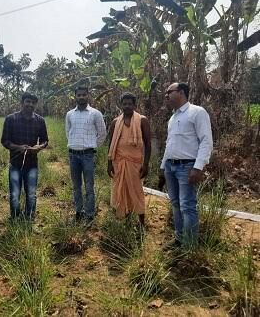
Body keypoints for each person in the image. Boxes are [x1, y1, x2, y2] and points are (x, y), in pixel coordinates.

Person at [159, 82, 213, 248]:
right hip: (171, 166)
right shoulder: (173, 117)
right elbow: (170, 144)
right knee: (175, 203)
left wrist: (198, 167)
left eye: (170, 92)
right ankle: (180, 238)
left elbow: (206, 141)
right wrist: (163, 167)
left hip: (187, 167)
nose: (166, 95)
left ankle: (189, 247)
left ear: (181, 92)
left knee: (187, 206)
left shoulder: (197, 112)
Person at [1, 92, 48, 220]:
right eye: (28, 101)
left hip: (32, 163)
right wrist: (18, 147)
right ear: (22, 103)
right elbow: (5, 141)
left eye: (33, 103)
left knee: (31, 194)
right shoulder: (11, 119)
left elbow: (45, 140)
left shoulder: (40, 121)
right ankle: (15, 217)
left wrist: (38, 147)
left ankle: (29, 217)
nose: (30, 105)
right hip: (15, 163)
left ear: (35, 105)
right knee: (15, 194)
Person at [107, 93, 151, 227]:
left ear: (134, 105)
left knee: (137, 191)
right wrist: (109, 164)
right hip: (118, 162)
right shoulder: (115, 122)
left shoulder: (142, 120)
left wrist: (146, 164)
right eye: (124, 104)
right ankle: (124, 218)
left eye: (129, 104)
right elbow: (111, 144)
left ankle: (141, 222)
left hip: (135, 163)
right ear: (121, 105)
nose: (127, 106)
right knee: (119, 190)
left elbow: (148, 144)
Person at [66, 86, 107, 223]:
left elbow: (102, 134)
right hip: (73, 155)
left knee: (89, 186)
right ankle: (79, 211)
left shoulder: (95, 113)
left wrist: (93, 147)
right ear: (75, 96)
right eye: (79, 95)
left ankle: (90, 214)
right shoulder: (70, 114)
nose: (81, 97)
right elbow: (68, 132)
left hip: (88, 156)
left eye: (84, 94)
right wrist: (74, 144)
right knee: (76, 186)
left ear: (88, 96)